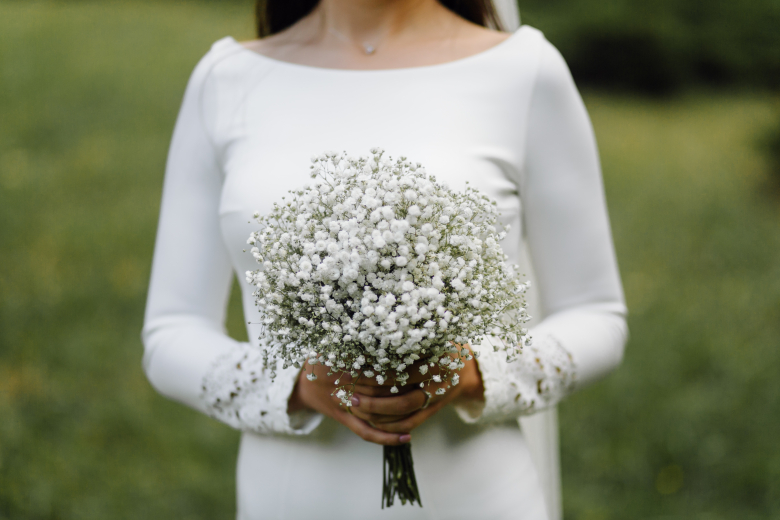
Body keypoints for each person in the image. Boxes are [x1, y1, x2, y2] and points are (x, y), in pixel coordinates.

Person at [141, 0, 628, 518]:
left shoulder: (524, 70)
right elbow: (170, 331)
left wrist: (471, 374)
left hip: (479, 498)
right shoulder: (227, 80)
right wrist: (296, 386)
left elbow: (597, 314)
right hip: (289, 499)